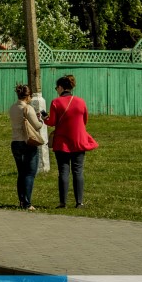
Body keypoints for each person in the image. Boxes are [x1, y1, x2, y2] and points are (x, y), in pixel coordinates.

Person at [46, 74, 98, 208]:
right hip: (78, 140)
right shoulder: (81, 101)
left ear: (61, 87)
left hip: (62, 142)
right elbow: (84, 120)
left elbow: (52, 122)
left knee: (63, 171)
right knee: (78, 171)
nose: (56, 90)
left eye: (56, 87)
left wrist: (44, 117)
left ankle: (63, 202)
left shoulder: (56, 102)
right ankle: (79, 202)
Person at [9, 82, 47, 210]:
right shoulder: (28, 108)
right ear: (28, 96)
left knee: (21, 173)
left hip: (15, 142)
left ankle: (21, 200)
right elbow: (37, 126)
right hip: (27, 142)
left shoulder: (13, 108)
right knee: (30, 173)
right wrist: (40, 120)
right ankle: (27, 203)